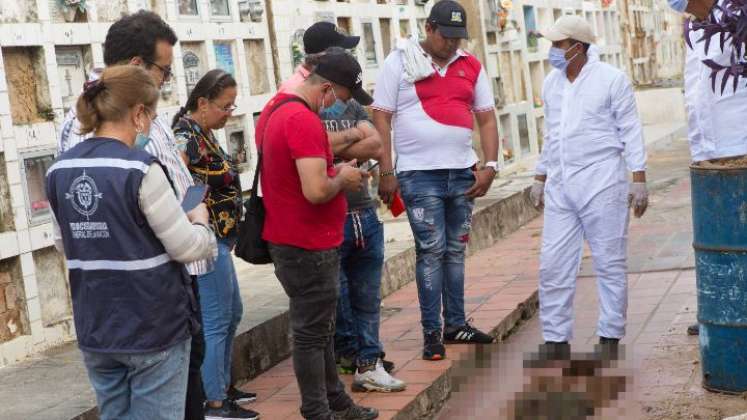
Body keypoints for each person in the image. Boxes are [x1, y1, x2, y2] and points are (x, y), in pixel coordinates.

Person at [46, 65, 215, 420]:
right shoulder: (139, 168)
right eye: (152, 115)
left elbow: (65, 244)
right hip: (152, 324)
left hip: (97, 325)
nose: (152, 125)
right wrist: (200, 222)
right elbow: (186, 248)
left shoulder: (58, 170)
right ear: (138, 113)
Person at [255, 50, 379, 420]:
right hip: (307, 243)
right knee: (311, 333)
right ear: (326, 88)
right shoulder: (302, 120)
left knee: (321, 329)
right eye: (340, 97)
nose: (338, 106)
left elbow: (298, 176)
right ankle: (317, 410)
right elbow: (316, 191)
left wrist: (334, 168)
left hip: (292, 238)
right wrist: (343, 177)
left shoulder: (277, 110)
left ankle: (335, 401)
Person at [280, 23, 404, 393]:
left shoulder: (347, 96)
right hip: (327, 215)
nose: (349, 56)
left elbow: (375, 144)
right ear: (323, 59)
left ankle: (369, 359)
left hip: (362, 209)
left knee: (367, 294)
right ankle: (349, 359)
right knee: (337, 300)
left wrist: (336, 143)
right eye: (343, 51)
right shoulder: (296, 97)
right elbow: (305, 148)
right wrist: (347, 140)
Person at [372, 0, 499, 361]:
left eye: (459, 38)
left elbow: (487, 118)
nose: (453, 44)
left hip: (463, 172)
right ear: (429, 28)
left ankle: (456, 323)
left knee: (456, 250)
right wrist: (386, 171)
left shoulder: (471, 65)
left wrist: (490, 165)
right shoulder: (400, 61)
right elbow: (381, 118)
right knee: (431, 251)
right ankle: (432, 333)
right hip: (418, 173)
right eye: (447, 37)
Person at [528, 16, 648, 356]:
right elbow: (552, 135)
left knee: (609, 262)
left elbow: (630, 129)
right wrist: (540, 176)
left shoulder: (611, 80)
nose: (552, 50)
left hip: (603, 180)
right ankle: (555, 338)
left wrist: (638, 178)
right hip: (562, 183)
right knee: (553, 263)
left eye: (557, 44)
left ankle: (610, 335)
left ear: (577, 47)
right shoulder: (552, 83)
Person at [172, 69, 258, 420]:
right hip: (206, 241)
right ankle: (215, 402)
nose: (230, 113)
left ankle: (221, 384)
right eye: (225, 106)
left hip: (222, 238)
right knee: (217, 317)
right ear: (203, 102)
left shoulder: (204, 131)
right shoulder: (184, 134)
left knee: (231, 312)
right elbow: (179, 180)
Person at [666, 0, 747, 336]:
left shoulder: (736, 19)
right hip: (708, 152)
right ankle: (721, 308)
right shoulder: (696, 29)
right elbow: (698, 91)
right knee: (719, 234)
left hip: (740, 146)